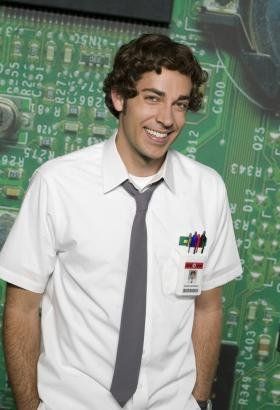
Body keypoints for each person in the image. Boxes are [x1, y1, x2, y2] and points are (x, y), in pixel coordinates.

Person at [0, 34, 242, 410]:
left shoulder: (207, 191)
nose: (166, 118)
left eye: (179, 104)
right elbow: (21, 307)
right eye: (152, 98)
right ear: (118, 98)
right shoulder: (58, 183)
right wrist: (30, 407)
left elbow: (208, 307)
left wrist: (198, 401)